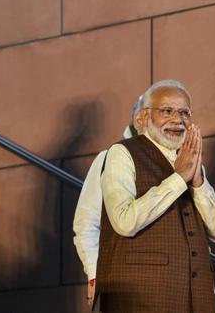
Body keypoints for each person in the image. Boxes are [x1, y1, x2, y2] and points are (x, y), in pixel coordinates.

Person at [96, 80, 215, 312]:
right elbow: (124, 221)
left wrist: (197, 182)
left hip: (196, 299)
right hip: (141, 298)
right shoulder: (122, 152)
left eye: (184, 113)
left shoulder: (190, 161)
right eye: (167, 111)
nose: (177, 120)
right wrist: (179, 179)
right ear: (144, 118)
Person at [73, 95, 144, 306]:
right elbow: (86, 222)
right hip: (123, 281)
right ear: (139, 119)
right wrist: (95, 274)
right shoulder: (108, 159)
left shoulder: (179, 162)